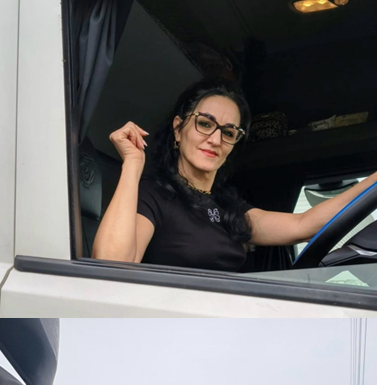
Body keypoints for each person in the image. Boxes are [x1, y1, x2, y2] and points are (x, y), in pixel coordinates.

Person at [91, 77, 377, 271]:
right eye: (205, 124)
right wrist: (132, 164)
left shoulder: (229, 208)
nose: (215, 140)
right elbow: (111, 268)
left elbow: (303, 225)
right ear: (178, 129)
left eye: (228, 133)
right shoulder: (152, 196)